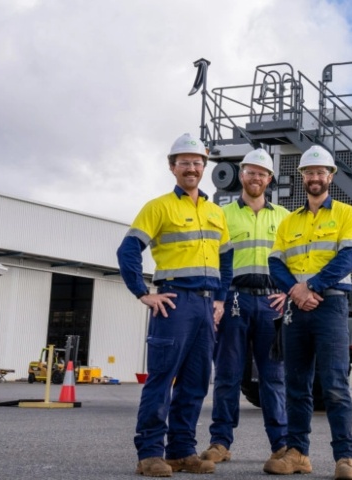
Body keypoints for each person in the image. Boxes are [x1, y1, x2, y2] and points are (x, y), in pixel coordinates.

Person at [116, 133, 232, 478]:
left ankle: (181, 451)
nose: (192, 168)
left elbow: (226, 261)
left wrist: (222, 300)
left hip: (207, 305)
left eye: (197, 162)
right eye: (184, 162)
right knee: (163, 377)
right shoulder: (159, 207)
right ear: (172, 167)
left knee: (196, 381)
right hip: (174, 301)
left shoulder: (215, 212)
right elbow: (127, 251)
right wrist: (142, 293)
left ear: (204, 166)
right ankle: (150, 453)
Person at [265, 145, 352, 480]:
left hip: (330, 304)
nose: (315, 177)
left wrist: (312, 287)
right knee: (295, 384)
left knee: (334, 384)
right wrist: (296, 290)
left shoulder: (347, 214)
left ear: (330, 177)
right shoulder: (289, 221)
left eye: (322, 172)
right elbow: (274, 262)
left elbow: (348, 258)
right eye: (310, 172)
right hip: (296, 308)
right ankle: (298, 453)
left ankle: (345, 458)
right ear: (303, 177)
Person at [199, 149, 290, 469]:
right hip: (234, 298)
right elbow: (211, 259)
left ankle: (281, 445)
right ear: (241, 174)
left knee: (274, 377)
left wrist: (289, 293)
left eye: (262, 173)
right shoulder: (222, 214)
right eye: (250, 171)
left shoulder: (284, 217)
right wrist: (215, 299)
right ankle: (220, 442)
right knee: (227, 375)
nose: (256, 177)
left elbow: (298, 259)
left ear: (270, 179)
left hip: (271, 301)